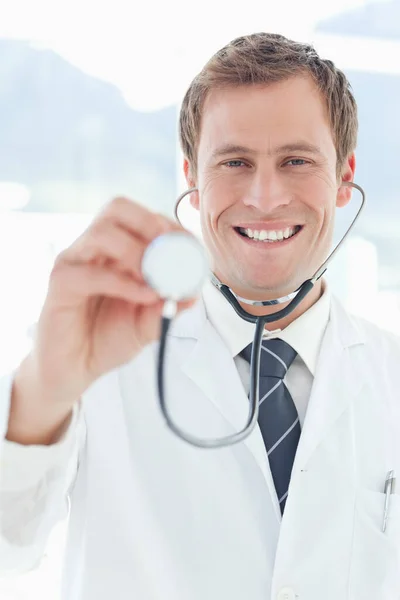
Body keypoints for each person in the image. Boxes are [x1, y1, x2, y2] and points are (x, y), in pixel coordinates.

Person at [1, 31, 400, 600]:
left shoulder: (391, 375)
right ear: (191, 177)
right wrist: (45, 385)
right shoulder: (95, 364)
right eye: (235, 161)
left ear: (344, 177)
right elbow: (7, 546)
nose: (265, 197)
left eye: (297, 160)